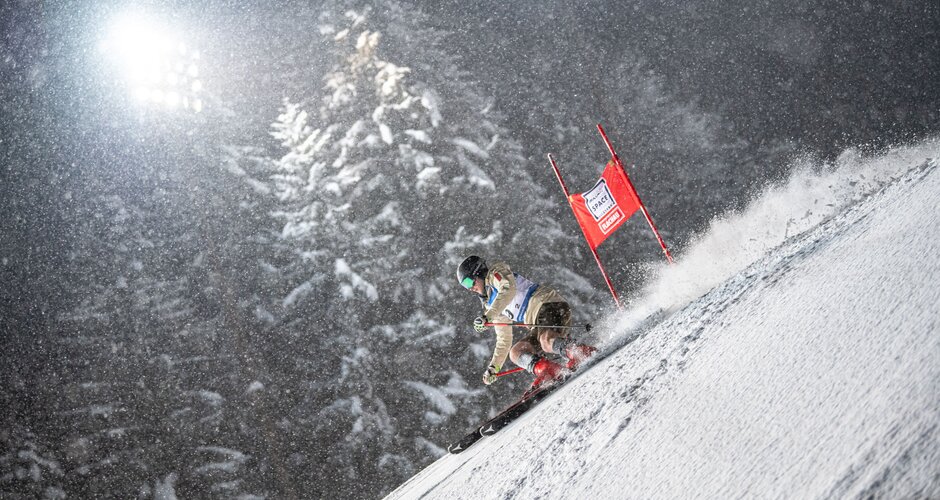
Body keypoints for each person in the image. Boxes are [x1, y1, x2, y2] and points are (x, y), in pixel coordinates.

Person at [456, 255, 596, 387]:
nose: (470, 288)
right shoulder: (491, 305)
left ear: (478, 272)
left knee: (546, 341)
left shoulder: (496, 274)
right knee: (516, 352)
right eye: (464, 286)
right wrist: (493, 367)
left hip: (548, 304)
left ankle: (579, 352)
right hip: (537, 324)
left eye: (469, 282)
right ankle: (549, 371)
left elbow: (508, 290)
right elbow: (504, 338)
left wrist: (489, 316)